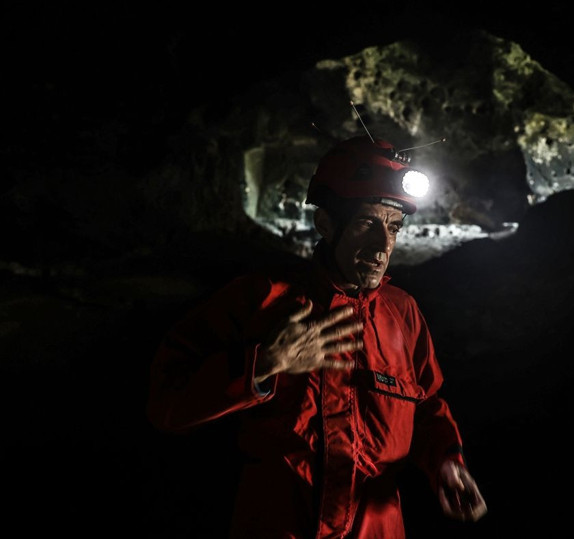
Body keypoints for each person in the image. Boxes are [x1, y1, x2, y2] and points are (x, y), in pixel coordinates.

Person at [146, 135, 488, 538]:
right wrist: (264, 364)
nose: (383, 246)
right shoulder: (262, 299)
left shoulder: (403, 313)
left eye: (394, 227)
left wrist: (447, 461)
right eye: (366, 223)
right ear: (326, 224)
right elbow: (167, 402)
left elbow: (427, 405)